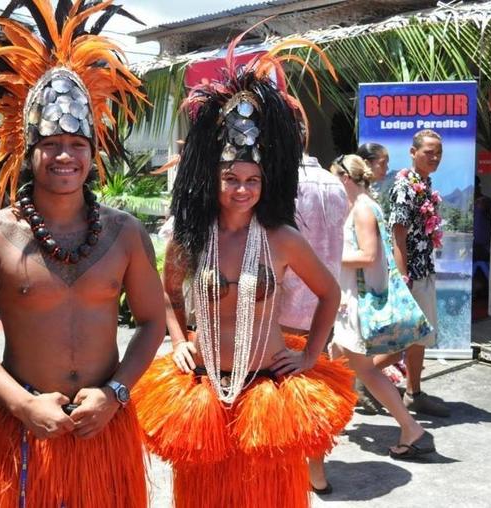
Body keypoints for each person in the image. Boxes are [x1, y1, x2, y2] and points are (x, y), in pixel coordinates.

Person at [0, 2, 163, 507]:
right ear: (30, 149)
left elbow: (153, 322)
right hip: (26, 431)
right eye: (52, 143)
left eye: (77, 143)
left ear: (94, 151)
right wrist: (22, 404)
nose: (65, 155)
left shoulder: (126, 233)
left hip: (103, 425)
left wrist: (116, 395)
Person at [132, 32, 356, 508]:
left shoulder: (281, 238)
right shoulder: (190, 238)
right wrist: (177, 341)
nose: (242, 189)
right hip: (203, 393)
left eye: (252, 180)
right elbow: (165, 296)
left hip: (267, 390)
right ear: (211, 178)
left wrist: (311, 354)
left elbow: (330, 295)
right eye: (231, 178)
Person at [329, 154, 435, 459]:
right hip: (352, 304)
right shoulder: (363, 206)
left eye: (335, 177)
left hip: (358, 307)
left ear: (345, 177)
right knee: (336, 359)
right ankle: (335, 418)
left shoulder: (362, 209)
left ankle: (411, 428)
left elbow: (368, 256)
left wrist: (326, 256)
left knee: (366, 371)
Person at [278, 149, 349, 494]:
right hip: (323, 309)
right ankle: (317, 474)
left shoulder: (282, 183)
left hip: (284, 311)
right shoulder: (335, 183)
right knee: (315, 397)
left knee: (282, 405)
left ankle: (290, 475)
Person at [379, 129, 450, 417]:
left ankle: (413, 392)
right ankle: (361, 379)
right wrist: (401, 279)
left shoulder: (425, 183)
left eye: (438, 153)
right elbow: (398, 237)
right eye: (428, 152)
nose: (434, 158)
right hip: (410, 275)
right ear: (413, 152)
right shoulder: (404, 187)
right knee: (400, 340)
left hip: (424, 270)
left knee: (420, 337)